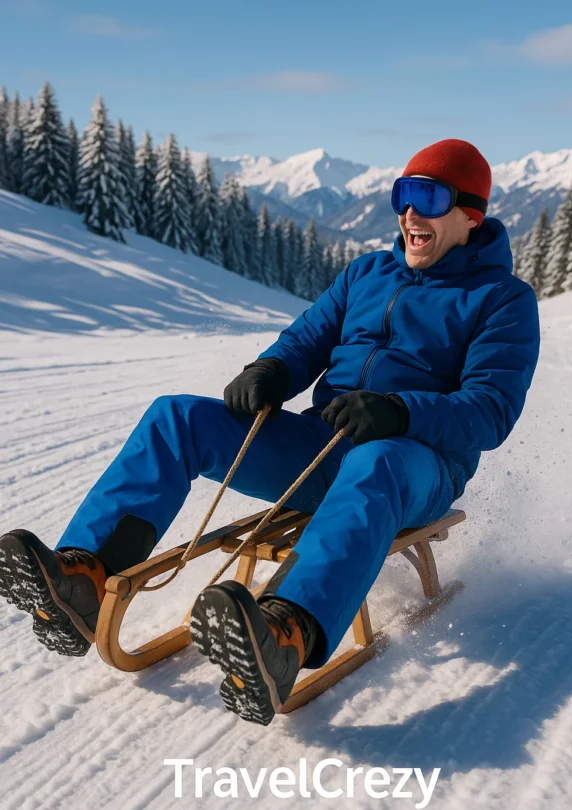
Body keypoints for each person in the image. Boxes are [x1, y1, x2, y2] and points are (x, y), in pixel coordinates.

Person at [0, 138, 540, 725]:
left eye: (428, 197)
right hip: (325, 446)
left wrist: (400, 411)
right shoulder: (368, 272)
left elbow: (490, 411)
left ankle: (285, 636)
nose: (410, 213)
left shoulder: (502, 300)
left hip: (418, 465)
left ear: (470, 215)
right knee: (176, 415)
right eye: (402, 195)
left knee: (377, 461)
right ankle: (85, 574)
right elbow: (308, 339)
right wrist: (272, 370)